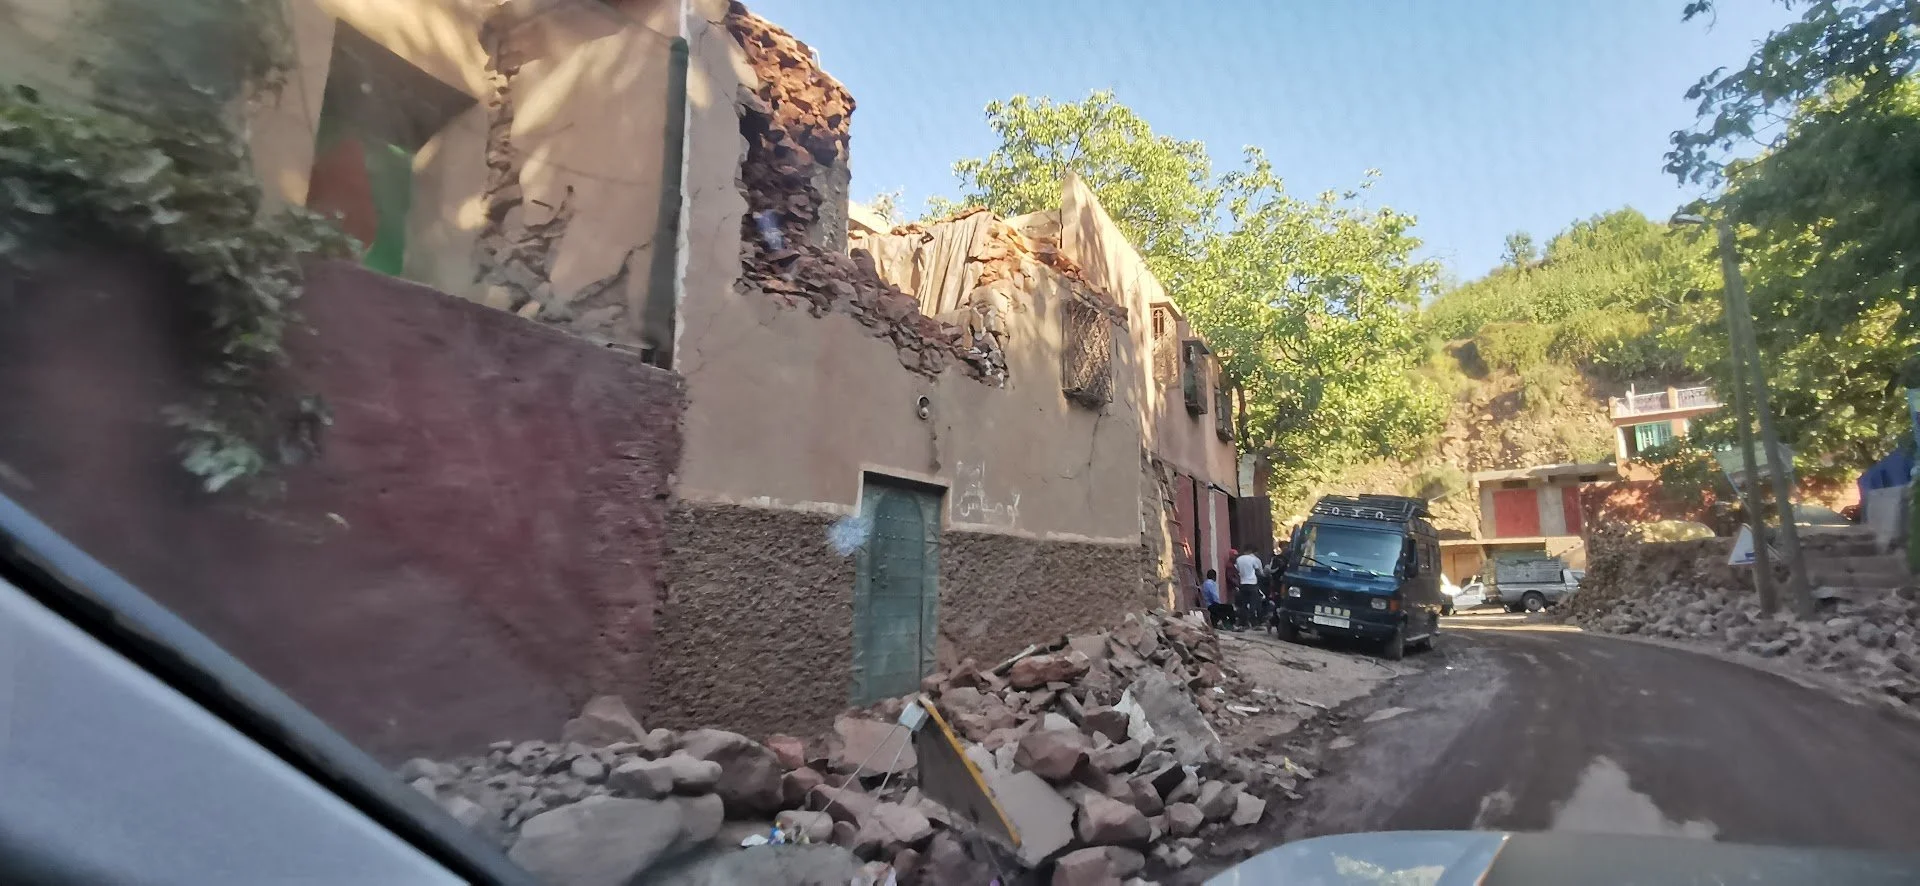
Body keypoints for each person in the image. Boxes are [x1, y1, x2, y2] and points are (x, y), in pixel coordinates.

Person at [1233, 548, 1266, 632]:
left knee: (1244, 605)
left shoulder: (1239, 559)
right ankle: (1254, 624)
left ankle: (1243, 623)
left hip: (1243, 584)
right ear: (1250, 552)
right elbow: (1257, 571)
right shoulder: (1253, 559)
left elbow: (1237, 570)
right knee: (1253, 604)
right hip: (1252, 584)